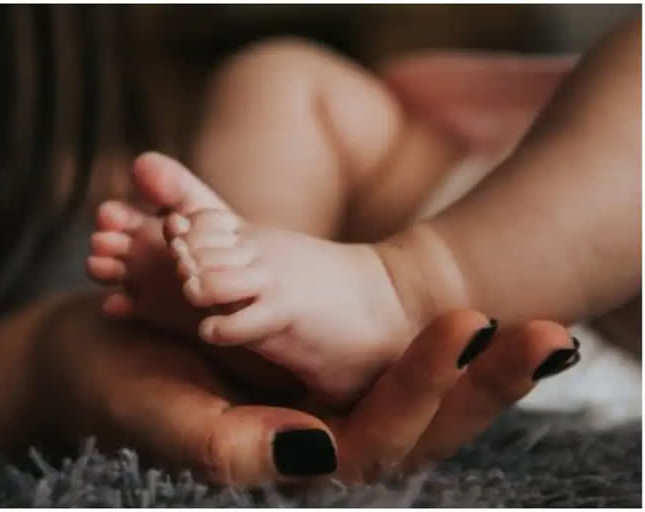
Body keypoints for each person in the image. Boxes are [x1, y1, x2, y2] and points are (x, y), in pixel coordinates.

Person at [0, 5, 628, 488]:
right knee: (275, 75)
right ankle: (259, 285)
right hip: (466, 214)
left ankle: (389, 288)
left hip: (560, 293)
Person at [87, 17, 639, 408]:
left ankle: (404, 293)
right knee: (280, 74)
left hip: (596, 313)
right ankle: (256, 281)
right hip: (459, 199)